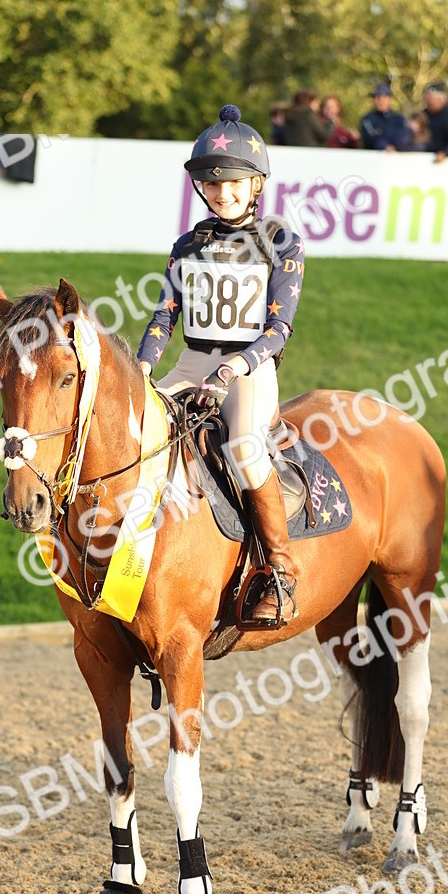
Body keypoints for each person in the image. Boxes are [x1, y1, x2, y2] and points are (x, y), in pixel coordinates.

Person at [137, 104, 305, 625]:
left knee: (245, 449)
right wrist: (142, 369)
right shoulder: (188, 245)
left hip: (250, 368)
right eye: (211, 184)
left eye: (233, 183)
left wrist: (231, 371)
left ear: (255, 185)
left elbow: (277, 332)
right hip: (192, 360)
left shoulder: (282, 243)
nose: (221, 192)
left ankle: (279, 570)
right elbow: (165, 316)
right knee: (136, 428)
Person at [359, 83, 407, 151]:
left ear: (389, 99)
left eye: (382, 97)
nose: (379, 101)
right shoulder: (368, 119)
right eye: (376, 97)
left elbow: (404, 137)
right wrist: (383, 146)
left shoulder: (399, 119)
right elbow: (369, 138)